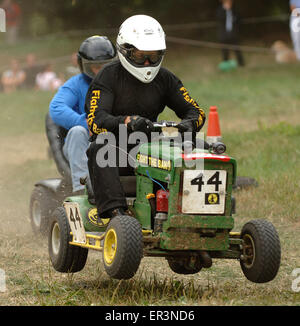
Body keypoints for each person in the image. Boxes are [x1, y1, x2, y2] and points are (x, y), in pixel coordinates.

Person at [85, 15, 206, 219]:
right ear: (126, 51)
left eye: (154, 56)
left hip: (150, 148)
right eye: (141, 56)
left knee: (199, 146)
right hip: (117, 149)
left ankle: (198, 210)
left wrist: (189, 124)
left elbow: (196, 112)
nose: (148, 62)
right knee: (101, 146)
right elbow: (96, 121)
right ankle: (118, 214)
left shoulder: (165, 79)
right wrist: (127, 122)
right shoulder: (107, 76)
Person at [49, 36, 117, 194]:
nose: (101, 71)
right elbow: (56, 108)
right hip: (82, 143)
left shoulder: (120, 83)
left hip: (113, 141)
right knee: (77, 132)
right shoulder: (76, 84)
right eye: (96, 67)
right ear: (85, 66)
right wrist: (86, 123)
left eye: (106, 66)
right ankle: (82, 189)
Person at [216, 0, 245, 66]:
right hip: (224, 33)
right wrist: (225, 10)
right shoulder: (220, 10)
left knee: (237, 49)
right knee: (225, 50)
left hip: (233, 33)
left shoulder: (234, 10)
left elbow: (239, 19)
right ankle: (226, 64)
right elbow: (219, 18)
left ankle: (241, 64)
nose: (229, 3)